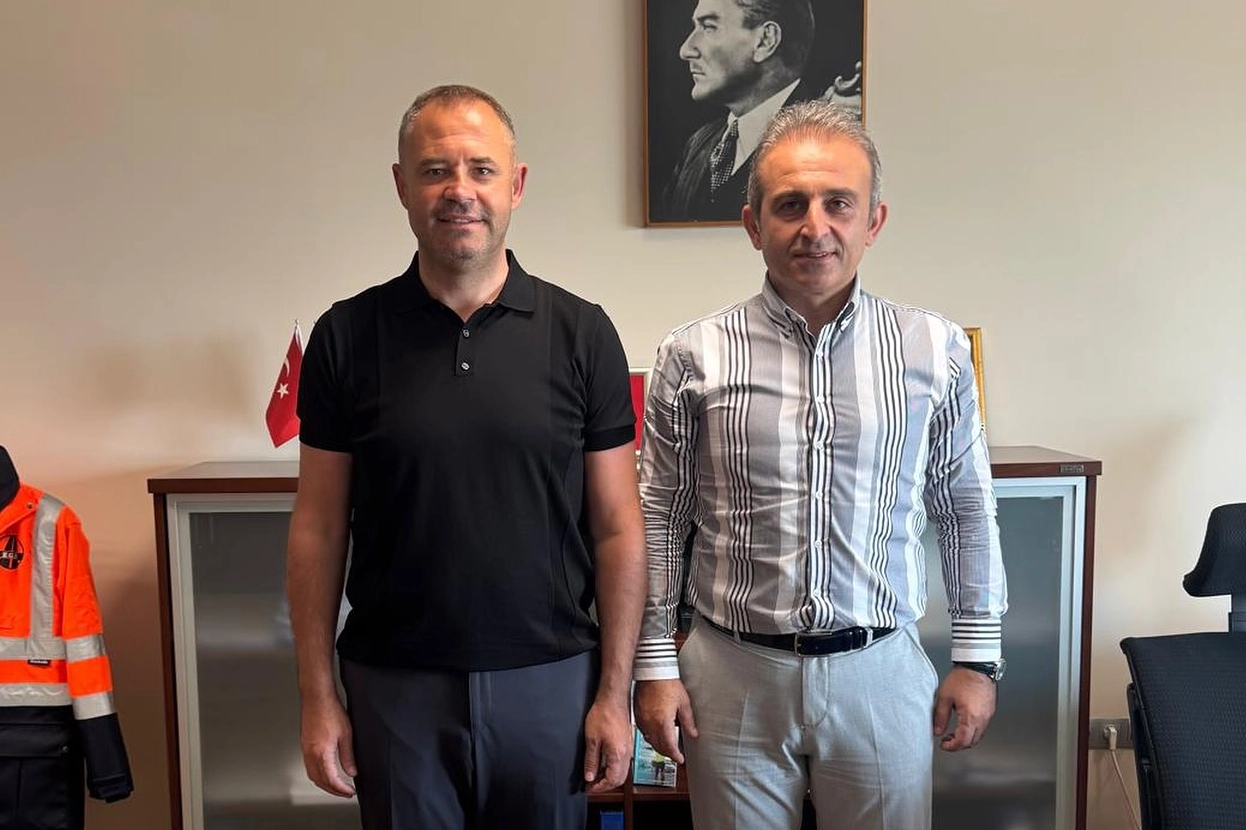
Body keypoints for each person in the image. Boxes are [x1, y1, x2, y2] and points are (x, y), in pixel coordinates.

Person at [633, 100, 1008, 830]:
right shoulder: (691, 355)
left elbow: (964, 507)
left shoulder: (933, 351)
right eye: (790, 205)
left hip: (881, 672)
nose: (815, 226)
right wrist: (655, 664)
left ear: (873, 221)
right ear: (754, 225)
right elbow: (661, 516)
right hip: (730, 677)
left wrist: (977, 656)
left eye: (839, 203)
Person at [286, 84, 646, 830]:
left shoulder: (583, 334)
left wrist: (615, 693)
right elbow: (317, 529)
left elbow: (618, 528)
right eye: (435, 170)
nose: (460, 190)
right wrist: (318, 696)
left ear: (516, 184)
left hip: (551, 683)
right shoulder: (345, 336)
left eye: (481, 169)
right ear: (401, 185)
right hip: (395, 689)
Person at [657, 0, 826, 223]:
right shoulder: (698, 145)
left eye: (709, 27)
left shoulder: (826, 143)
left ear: (765, 41)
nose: (685, 50)